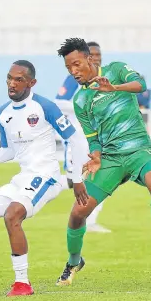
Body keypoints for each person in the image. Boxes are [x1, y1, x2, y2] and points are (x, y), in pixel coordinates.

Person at [0, 60, 87, 297]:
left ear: (31, 82)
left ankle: (22, 283)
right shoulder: (4, 112)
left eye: (18, 79)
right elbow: (8, 151)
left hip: (46, 177)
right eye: (9, 79)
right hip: (22, 178)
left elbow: (75, 139)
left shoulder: (46, 107)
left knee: (13, 214)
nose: (11, 84)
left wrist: (76, 178)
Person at [56, 37, 151, 285]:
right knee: (78, 213)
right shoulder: (80, 100)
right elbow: (93, 138)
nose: (74, 71)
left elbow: (140, 84)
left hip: (139, 150)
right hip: (110, 159)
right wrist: (96, 156)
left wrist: (115, 88)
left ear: (90, 58)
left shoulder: (117, 70)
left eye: (77, 64)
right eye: (69, 68)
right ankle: (74, 261)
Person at [55, 42, 110, 233]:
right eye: (92, 54)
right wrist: (83, 107)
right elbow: (59, 102)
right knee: (74, 180)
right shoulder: (74, 79)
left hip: (98, 138)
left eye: (98, 54)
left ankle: (91, 221)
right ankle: (37, 186)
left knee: (100, 176)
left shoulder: (104, 79)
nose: (96, 58)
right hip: (78, 136)